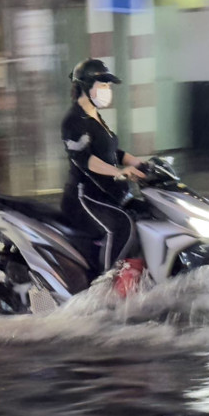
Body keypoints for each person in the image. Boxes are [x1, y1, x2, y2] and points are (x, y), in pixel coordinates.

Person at [61, 59, 146, 275]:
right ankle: (104, 288)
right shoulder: (73, 120)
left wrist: (139, 163)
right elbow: (84, 159)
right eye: (103, 85)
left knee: (146, 214)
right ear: (86, 86)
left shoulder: (95, 115)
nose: (107, 90)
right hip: (84, 197)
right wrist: (118, 172)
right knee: (121, 227)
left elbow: (110, 152)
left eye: (108, 86)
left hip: (107, 195)